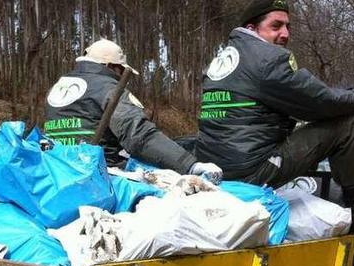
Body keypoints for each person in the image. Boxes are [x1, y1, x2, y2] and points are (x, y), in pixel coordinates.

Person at [196, 0, 354, 234]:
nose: (285, 34)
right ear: (252, 28)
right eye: (276, 26)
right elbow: (320, 101)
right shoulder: (267, 59)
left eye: (287, 26)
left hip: (216, 167)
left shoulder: (223, 59)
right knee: (344, 124)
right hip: (251, 171)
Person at [45, 39, 223, 184]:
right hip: (99, 177)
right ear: (110, 66)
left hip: (58, 170)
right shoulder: (109, 88)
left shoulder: (59, 86)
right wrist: (189, 164)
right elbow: (139, 136)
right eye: (121, 69)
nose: (123, 75)